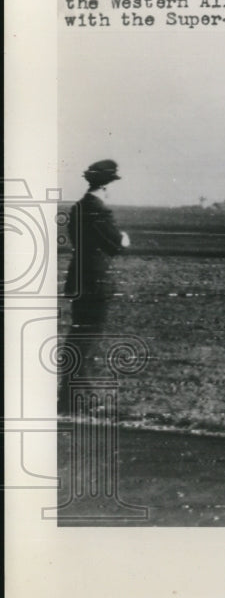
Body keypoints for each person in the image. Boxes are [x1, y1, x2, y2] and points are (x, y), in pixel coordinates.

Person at [59, 159, 130, 414]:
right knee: (87, 339)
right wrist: (124, 239)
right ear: (106, 186)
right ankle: (82, 398)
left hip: (79, 278)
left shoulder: (78, 207)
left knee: (78, 336)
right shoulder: (99, 210)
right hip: (96, 281)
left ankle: (69, 397)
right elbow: (116, 245)